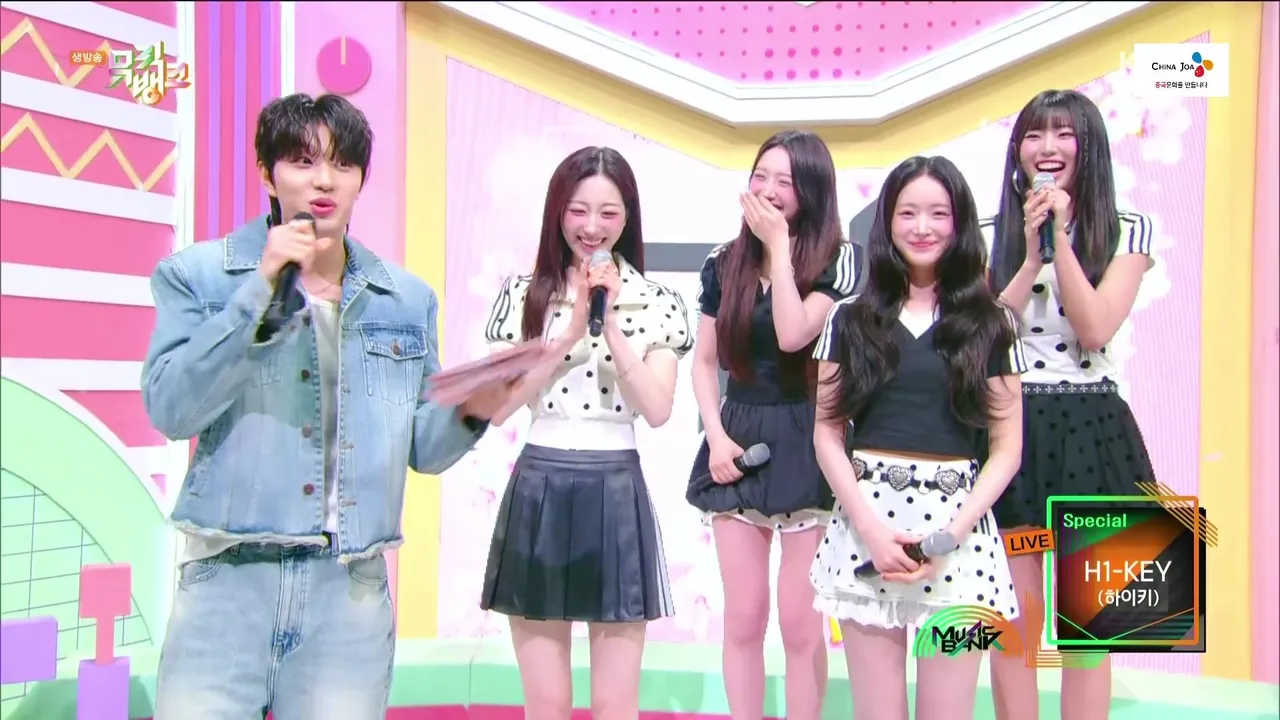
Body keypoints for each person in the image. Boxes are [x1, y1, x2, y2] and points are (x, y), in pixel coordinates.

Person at [142, 93, 507, 720]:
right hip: (227, 579)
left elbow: (423, 450)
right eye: (303, 161)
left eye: (342, 164)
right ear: (267, 172)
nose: (323, 181)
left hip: (348, 591)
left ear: (361, 178)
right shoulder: (199, 277)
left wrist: (478, 406)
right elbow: (173, 410)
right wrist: (259, 291)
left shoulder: (405, 299)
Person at [809, 155, 1028, 720]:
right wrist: (871, 530)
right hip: (867, 530)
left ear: (960, 224)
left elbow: (1007, 447)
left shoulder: (993, 323)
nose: (922, 227)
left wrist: (951, 535)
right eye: (908, 213)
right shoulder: (848, 318)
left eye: (938, 213)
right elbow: (827, 433)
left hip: (960, 536)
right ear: (887, 221)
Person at [478, 146, 692, 720]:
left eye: (608, 212)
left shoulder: (656, 301)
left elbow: (657, 409)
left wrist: (611, 323)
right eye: (578, 210)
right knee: (546, 701)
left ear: (628, 218)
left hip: (616, 488)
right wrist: (569, 331)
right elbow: (499, 408)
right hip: (540, 484)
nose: (592, 227)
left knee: (614, 703)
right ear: (557, 212)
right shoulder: (522, 295)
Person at [984, 89, 1157, 720]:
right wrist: (1031, 253)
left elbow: (1095, 327)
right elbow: (981, 337)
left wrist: (1060, 236)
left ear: (1090, 147)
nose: (1047, 147)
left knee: (1096, 625)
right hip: (1012, 426)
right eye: (1034, 135)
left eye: (1063, 134)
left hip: (1095, 427)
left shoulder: (1130, 229)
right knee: (1013, 619)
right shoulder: (988, 234)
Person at [687, 130, 859, 720]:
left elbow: (792, 333)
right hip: (736, 434)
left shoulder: (838, 260)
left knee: (800, 622)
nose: (768, 189)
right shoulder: (722, 263)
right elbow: (704, 362)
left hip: (809, 437)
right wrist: (715, 437)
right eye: (760, 176)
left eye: (785, 181)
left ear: (811, 191)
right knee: (743, 616)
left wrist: (780, 251)